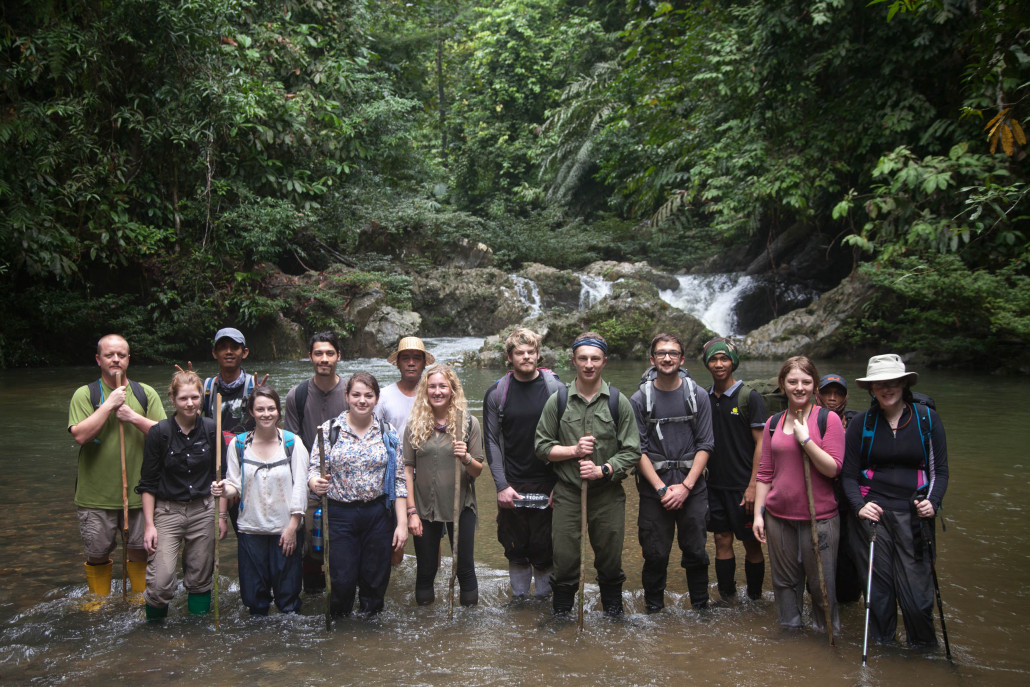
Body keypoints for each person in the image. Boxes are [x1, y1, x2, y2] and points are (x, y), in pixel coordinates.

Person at [842, 354, 948, 648]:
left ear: (903, 383)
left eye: (892, 382)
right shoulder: (862, 424)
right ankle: (884, 651)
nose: (886, 388)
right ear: (871, 389)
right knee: (879, 595)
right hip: (873, 518)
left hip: (915, 517)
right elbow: (848, 476)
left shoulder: (927, 419)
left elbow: (940, 469)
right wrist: (859, 506)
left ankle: (924, 653)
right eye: (879, 384)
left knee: (917, 598)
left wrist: (933, 501)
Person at [534, 332, 640, 617]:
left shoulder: (619, 402)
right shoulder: (558, 401)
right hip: (568, 494)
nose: (589, 364)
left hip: (607, 495)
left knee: (609, 561)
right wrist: (573, 451)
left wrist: (603, 469)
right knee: (566, 559)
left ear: (604, 361)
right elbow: (541, 447)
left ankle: (614, 617)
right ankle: (561, 618)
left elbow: (632, 451)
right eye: (583, 358)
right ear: (573, 361)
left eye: (595, 358)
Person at [68, 334, 165, 600]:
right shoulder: (86, 394)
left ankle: (137, 599)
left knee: (139, 549)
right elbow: (80, 435)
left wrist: (133, 417)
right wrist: (109, 406)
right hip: (95, 495)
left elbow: (165, 435)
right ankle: (99, 602)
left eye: (121, 355)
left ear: (128, 359)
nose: (115, 359)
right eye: (110, 354)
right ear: (98, 359)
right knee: (97, 552)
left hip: (139, 493)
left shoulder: (145, 393)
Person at [752, 356, 844, 633]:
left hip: (820, 519)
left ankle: (826, 637)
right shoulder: (773, 423)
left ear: (814, 386)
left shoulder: (829, 420)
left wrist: (805, 439)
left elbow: (833, 468)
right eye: (793, 381)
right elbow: (765, 472)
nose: (799, 387)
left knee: (821, 586)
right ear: (783, 385)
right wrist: (758, 514)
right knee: (784, 585)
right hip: (779, 518)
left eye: (806, 381)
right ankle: (791, 638)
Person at [308, 373, 408, 616]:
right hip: (340, 514)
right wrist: (315, 483)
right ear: (346, 397)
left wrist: (402, 523)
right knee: (341, 579)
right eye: (356, 395)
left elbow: (399, 479)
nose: (362, 400)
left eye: (368, 395)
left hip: (378, 514)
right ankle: (341, 633)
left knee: (375, 580)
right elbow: (313, 470)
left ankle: (370, 635)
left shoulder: (388, 432)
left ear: (376, 399)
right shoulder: (329, 431)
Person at [631, 333, 714, 612]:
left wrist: (686, 487)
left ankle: (700, 608)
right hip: (655, 491)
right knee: (654, 554)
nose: (667, 358)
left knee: (696, 552)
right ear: (652, 359)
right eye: (662, 353)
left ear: (682, 358)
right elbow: (638, 450)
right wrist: (661, 489)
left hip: (692, 489)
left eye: (673, 353)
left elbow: (706, 444)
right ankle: (653, 611)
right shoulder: (640, 398)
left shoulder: (697, 395)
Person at [136, 370, 226, 620]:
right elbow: (147, 483)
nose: (190, 404)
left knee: (200, 576)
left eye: (195, 398)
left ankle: (198, 632)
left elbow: (222, 477)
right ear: (173, 400)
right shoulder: (159, 432)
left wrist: (221, 516)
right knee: (161, 581)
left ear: (201, 398)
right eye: (184, 398)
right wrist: (149, 525)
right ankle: (153, 631)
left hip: (203, 509)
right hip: (167, 511)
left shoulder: (210, 429)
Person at [213, 386, 309, 616]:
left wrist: (293, 527)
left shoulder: (293, 444)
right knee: (254, 601)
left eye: (271, 408)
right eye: (260, 409)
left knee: (288, 600)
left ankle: (288, 646)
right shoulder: (237, 445)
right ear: (251, 412)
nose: (266, 414)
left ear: (278, 411)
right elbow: (234, 484)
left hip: (284, 530)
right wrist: (221, 489)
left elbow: (300, 488)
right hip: (250, 530)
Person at [483, 327, 559, 600]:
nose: (526, 357)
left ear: (538, 355)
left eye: (531, 352)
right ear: (509, 357)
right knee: (515, 548)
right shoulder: (497, 393)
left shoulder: (556, 390)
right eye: (519, 353)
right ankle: (518, 603)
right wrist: (501, 485)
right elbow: (491, 441)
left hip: (548, 481)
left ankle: (543, 602)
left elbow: (567, 439)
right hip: (513, 482)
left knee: (545, 549)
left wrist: (560, 486)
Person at [404, 364, 483, 607]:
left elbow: (477, 470)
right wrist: (411, 512)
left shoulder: (469, 424)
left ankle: (467, 632)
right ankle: (426, 628)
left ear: (452, 390)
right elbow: (407, 470)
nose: (437, 391)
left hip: (460, 507)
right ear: (425, 391)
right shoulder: (415, 426)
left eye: (442, 386)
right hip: (425, 509)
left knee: (464, 569)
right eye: (432, 387)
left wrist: (466, 457)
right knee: (426, 570)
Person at [284, 331, 349, 593]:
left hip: (346, 485)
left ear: (339, 356)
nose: (324, 359)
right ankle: (312, 596)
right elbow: (291, 445)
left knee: (343, 546)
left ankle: (342, 599)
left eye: (330, 353)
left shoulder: (351, 393)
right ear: (310, 356)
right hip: (309, 484)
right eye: (319, 353)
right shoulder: (296, 396)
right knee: (311, 547)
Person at [703, 337, 767, 601]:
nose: (719, 364)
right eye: (714, 359)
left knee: (751, 542)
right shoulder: (704, 397)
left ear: (733, 362)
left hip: (743, 485)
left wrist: (754, 486)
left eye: (724, 359)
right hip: (715, 484)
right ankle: (727, 597)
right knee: (721, 539)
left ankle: (755, 598)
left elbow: (762, 445)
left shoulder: (749, 397)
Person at [818, 372, 863, 604]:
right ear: (819, 395)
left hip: (849, 501)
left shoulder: (857, 422)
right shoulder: (811, 420)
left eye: (837, 394)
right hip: (821, 499)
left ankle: (848, 601)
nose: (832, 398)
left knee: (849, 556)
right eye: (827, 393)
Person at [375, 336, 434, 453]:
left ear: (424, 363)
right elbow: (374, 434)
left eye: (416, 358)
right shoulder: (383, 395)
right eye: (405, 358)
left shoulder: (434, 395)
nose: (411, 363)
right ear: (398, 363)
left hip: (427, 462)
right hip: (394, 463)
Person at [202, 327, 257, 441]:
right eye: (222, 348)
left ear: (244, 352)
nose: (228, 352)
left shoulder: (257, 386)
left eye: (235, 347)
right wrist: (186, 387)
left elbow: (273, 426)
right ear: (214, 353)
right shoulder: (205, 387)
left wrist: (260, 397)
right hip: (215, 451)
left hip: (247, 451)